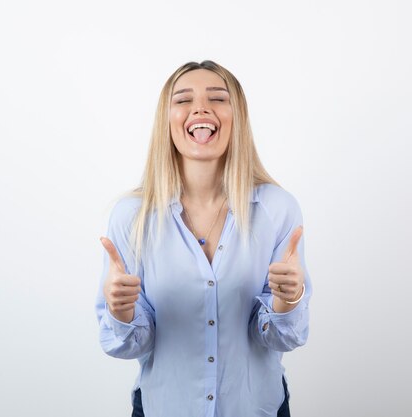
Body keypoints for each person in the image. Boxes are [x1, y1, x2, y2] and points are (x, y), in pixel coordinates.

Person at [95, 60, 312, 417]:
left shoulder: (278, 209)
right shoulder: (132, 217)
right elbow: (129, 345)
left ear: (236, 117)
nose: (200, 108)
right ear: (166, 121)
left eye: (217, 98)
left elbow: (279, 338)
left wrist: (288, 303)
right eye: (183, 100)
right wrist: (122, 312)